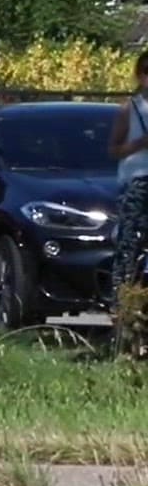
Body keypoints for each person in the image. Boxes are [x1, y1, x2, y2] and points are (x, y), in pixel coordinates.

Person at [108, 50, 148, 308]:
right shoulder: (130, 108)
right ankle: (121, 301)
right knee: (129, 242)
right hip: (137, 180)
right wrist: (139, 143)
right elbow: (113, 149)